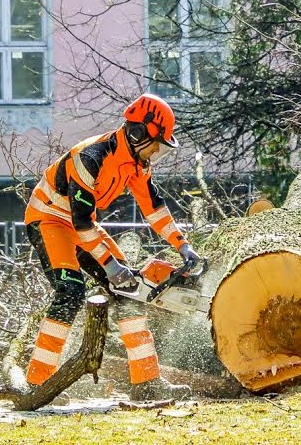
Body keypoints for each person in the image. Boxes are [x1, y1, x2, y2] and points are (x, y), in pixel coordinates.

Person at [23, 93, 199, 400]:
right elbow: (80, 224)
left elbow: (154, 208)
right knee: (70, 291)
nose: (156, 152)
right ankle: (37, 382)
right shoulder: (90, 157)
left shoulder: (135, 163)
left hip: (82, 225)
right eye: (155, 144)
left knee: (128, 290)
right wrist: (111, 266)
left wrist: (183, 246)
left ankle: (146, 383)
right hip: (49, 218)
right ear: (138, 132)